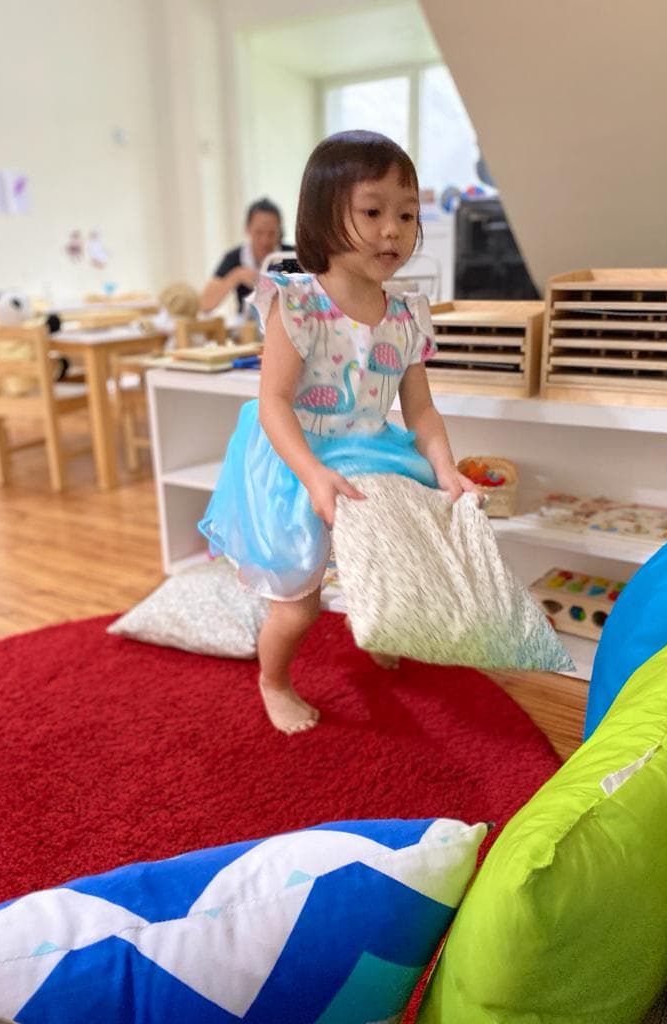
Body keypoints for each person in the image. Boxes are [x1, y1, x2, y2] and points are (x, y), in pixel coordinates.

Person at [198, 130, 474, 735]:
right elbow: (271, 402)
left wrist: (446, 467)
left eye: (406, 215)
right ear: (325, 216)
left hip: (371, 453)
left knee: (389, 566)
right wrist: (312, 473)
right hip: (298, 460)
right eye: (372, 212)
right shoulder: (296, 301)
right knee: (298, 603)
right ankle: (273, 680)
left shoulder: (406, 315)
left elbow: (421, 410)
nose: (393, 231)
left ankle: (376, 625)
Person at [200, 198, 287, 314]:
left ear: (280, 231)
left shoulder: (291, 256)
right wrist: (236, 276)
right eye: (259, 232)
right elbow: (205, 304)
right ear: (247, 229)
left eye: (271, 233)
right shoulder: (235, 257)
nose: (265, 241)